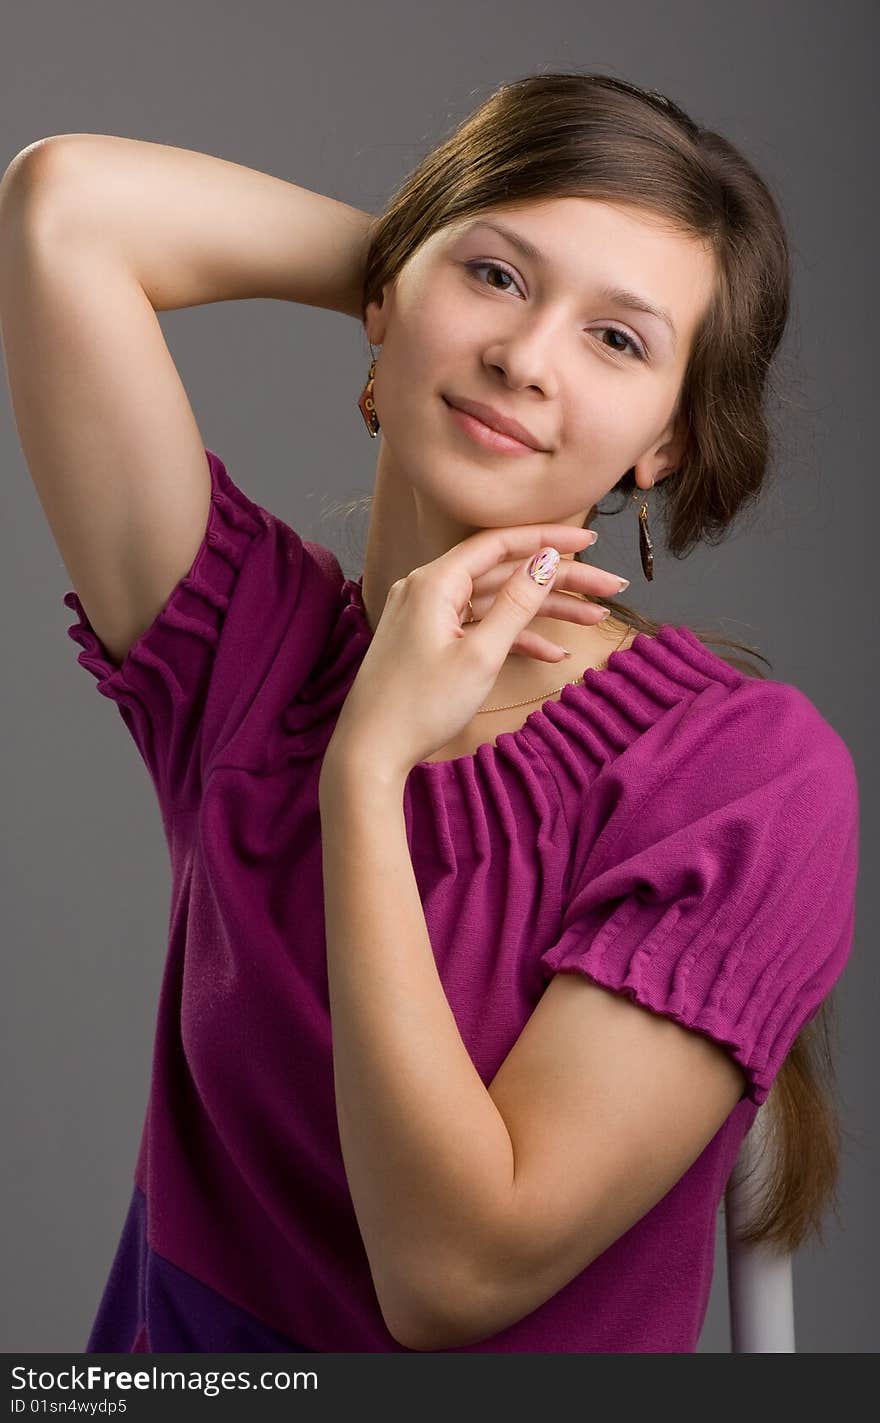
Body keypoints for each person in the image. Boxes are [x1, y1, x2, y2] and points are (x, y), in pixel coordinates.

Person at [0, 73, 859, 1354]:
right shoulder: (249, 652)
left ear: (662, 445)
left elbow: (449, 1280)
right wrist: (410, 272)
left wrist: (368, 769)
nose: (522, 358)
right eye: (499, 281)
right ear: (387, 302)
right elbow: (63, 208)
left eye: (616, 341)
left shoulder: (736, 775)